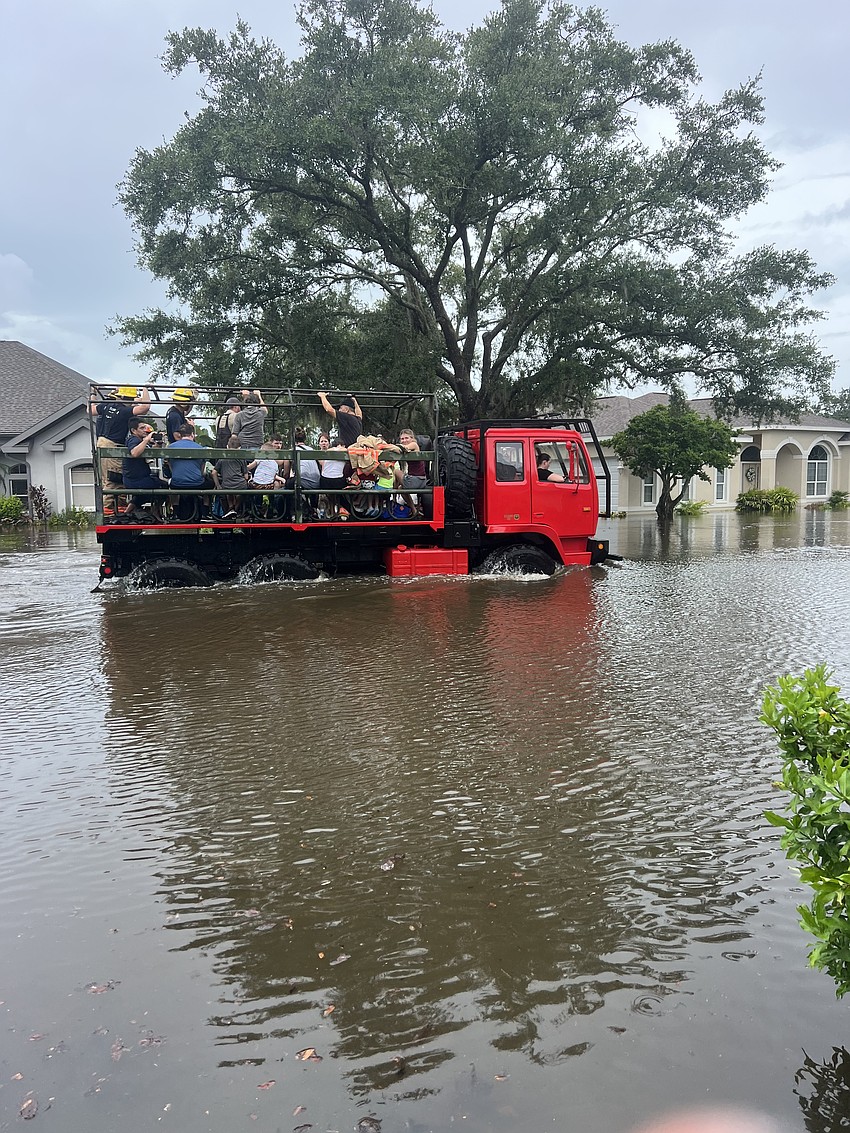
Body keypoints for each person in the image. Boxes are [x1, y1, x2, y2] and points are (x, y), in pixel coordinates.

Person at [89, 385, 152, 516]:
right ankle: (111, 508)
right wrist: (146, 389)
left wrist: (93, 394)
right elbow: (145, 408)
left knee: (108, 475)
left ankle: (117, 506)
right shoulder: (124, 410)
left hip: (102, 442)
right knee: (114, 476)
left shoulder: (107, 406)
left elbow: (90, 409)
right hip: (112, 444)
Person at [122, 420, 168, 522]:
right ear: (133, 430)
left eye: (145, 427)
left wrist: (158, 443)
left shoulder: (140, 441)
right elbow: (134, 452)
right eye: (141, 428)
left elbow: (150, 452)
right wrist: (146, 439)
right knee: (164, 486)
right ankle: (155, 511)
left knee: (147, 490)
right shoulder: (133, 440)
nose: (144, 430)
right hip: (135, 480)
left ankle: (127, 512)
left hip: (138, 479)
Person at [168, 424, 215, 520]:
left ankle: (175, 513)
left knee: (172, 488)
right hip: (197, 483)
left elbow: (169, 464)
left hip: (177, 483)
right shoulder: (200, 448)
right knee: (211, 484)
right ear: (192, 434)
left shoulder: (170, 447)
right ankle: (205, 513)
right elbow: (202, 468)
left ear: (180, 435)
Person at [394, 427, 429, 517]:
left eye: (406, 438)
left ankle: (393, 497)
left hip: (416, 480)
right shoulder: (410, 446)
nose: (404, 440)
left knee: (395, 471)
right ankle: (414, 509)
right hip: (419, 480)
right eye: (402, 439)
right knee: (401, 489)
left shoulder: (414, 445)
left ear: (412, 438)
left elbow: (404, 448)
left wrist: (392, 447)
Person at [215, 435, 250, 518]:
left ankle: (230, 508)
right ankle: (236, 509)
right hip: (240, 485)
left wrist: (218, 485)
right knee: (241, 492)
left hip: (226, 485)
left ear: (227, 447)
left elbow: (213, 472)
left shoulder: (222, 458)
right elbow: (246, 476)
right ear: (239, 448)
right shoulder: (241, 458)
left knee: (228, 490)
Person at [318, 433, 348, 518]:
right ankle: (336, 509)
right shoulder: (344, 453)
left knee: (331, 493)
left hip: (326, 481)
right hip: (335, 481)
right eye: (322, 441)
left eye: (325, 441)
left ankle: (332, 510)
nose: (324, 443)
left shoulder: (328, 452)